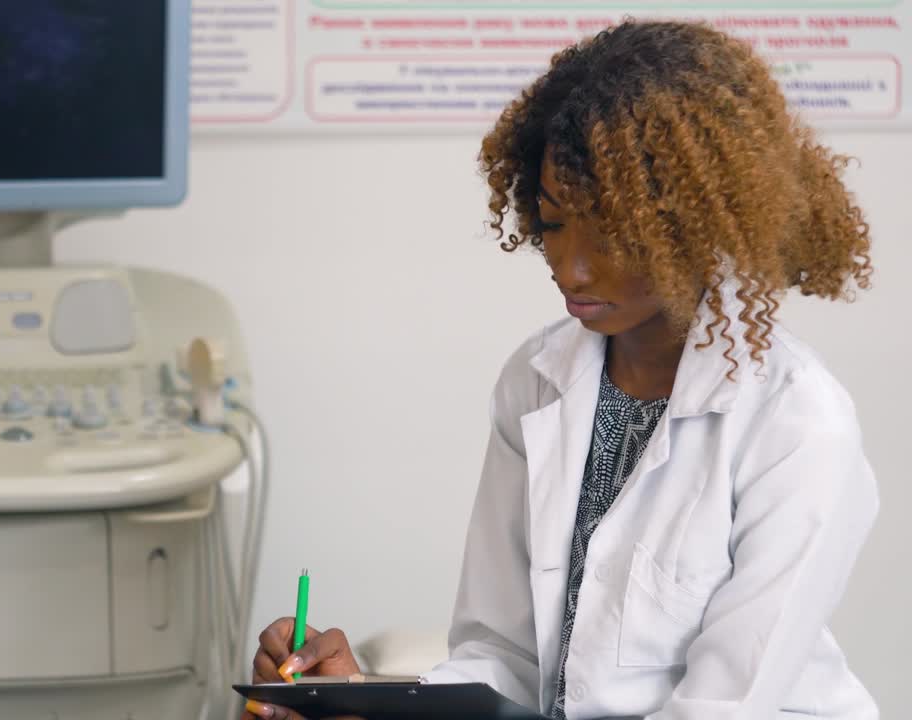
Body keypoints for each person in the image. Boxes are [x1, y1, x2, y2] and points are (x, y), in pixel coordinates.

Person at [242, 19, 879, 720]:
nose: (570, 267)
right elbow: (505, 656)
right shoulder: (537, 380)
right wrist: (358, 700)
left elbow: (724, 705)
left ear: (695, 226)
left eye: (610, 234)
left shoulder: (795, 420)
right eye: (551, 223)